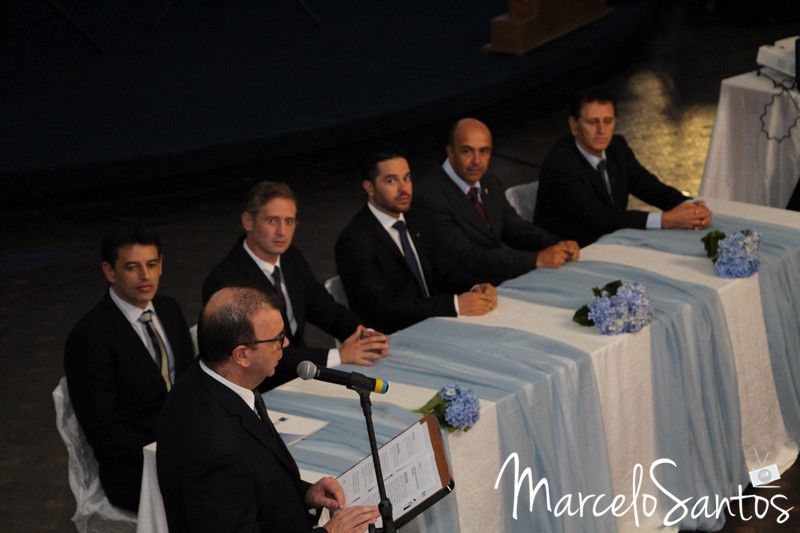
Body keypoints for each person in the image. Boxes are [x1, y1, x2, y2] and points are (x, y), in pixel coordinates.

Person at [157, 286, 379, 532]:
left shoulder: (218, 380)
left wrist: (305, 493)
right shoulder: (211, 442)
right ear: (242, 355)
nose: (286, 343)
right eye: (277, 339)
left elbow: (255, 480)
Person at [202, 181, 389, 390]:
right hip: (261, 387)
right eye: (272, 221)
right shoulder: (227, 283)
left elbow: (326, 309)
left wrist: (365, 334)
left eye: (289, 221)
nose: (282, 231)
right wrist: (338, 355)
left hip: (300, 376)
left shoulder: (291, 258)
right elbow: (260, 353)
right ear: (248, 221)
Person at [63, 227, 194, 512]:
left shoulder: (168, 309)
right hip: (135, 469)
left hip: (187, 445)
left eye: (151, 264)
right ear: (110, 272)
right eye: (132, 267)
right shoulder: (90, 336)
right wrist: (171, 453)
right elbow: (103, 430)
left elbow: (191, 381)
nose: (145, 276)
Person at [335, 149, 498, 334]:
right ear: (370, 188)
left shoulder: (418, 218)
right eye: (391, 181)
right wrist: (454, 305)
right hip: (395, 336)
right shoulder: (354, 241)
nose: (403, 189)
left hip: (438, 323)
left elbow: (445, 270)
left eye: (407, 178)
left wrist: (475, 286)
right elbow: (381, 308)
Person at [534, 87, 713, 247]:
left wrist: (692, 207)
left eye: (608, 121)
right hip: (571, 254)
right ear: (574, 125)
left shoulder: (617, 147)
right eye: (592, 122)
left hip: (612, 243)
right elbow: (600, 219)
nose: (602, 130)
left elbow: (651, 188)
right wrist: (666, 220)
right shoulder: (560, 164)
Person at [413, 118, 580, 284]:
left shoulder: (489, 181)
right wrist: (537, 259)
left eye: (484, 151)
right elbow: (469, 257)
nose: (477, 161)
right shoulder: (430, 196)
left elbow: (514, 227)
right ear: (450, 152)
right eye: (467, 151)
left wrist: (558, 244)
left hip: (500, 278)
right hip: (468, 290)